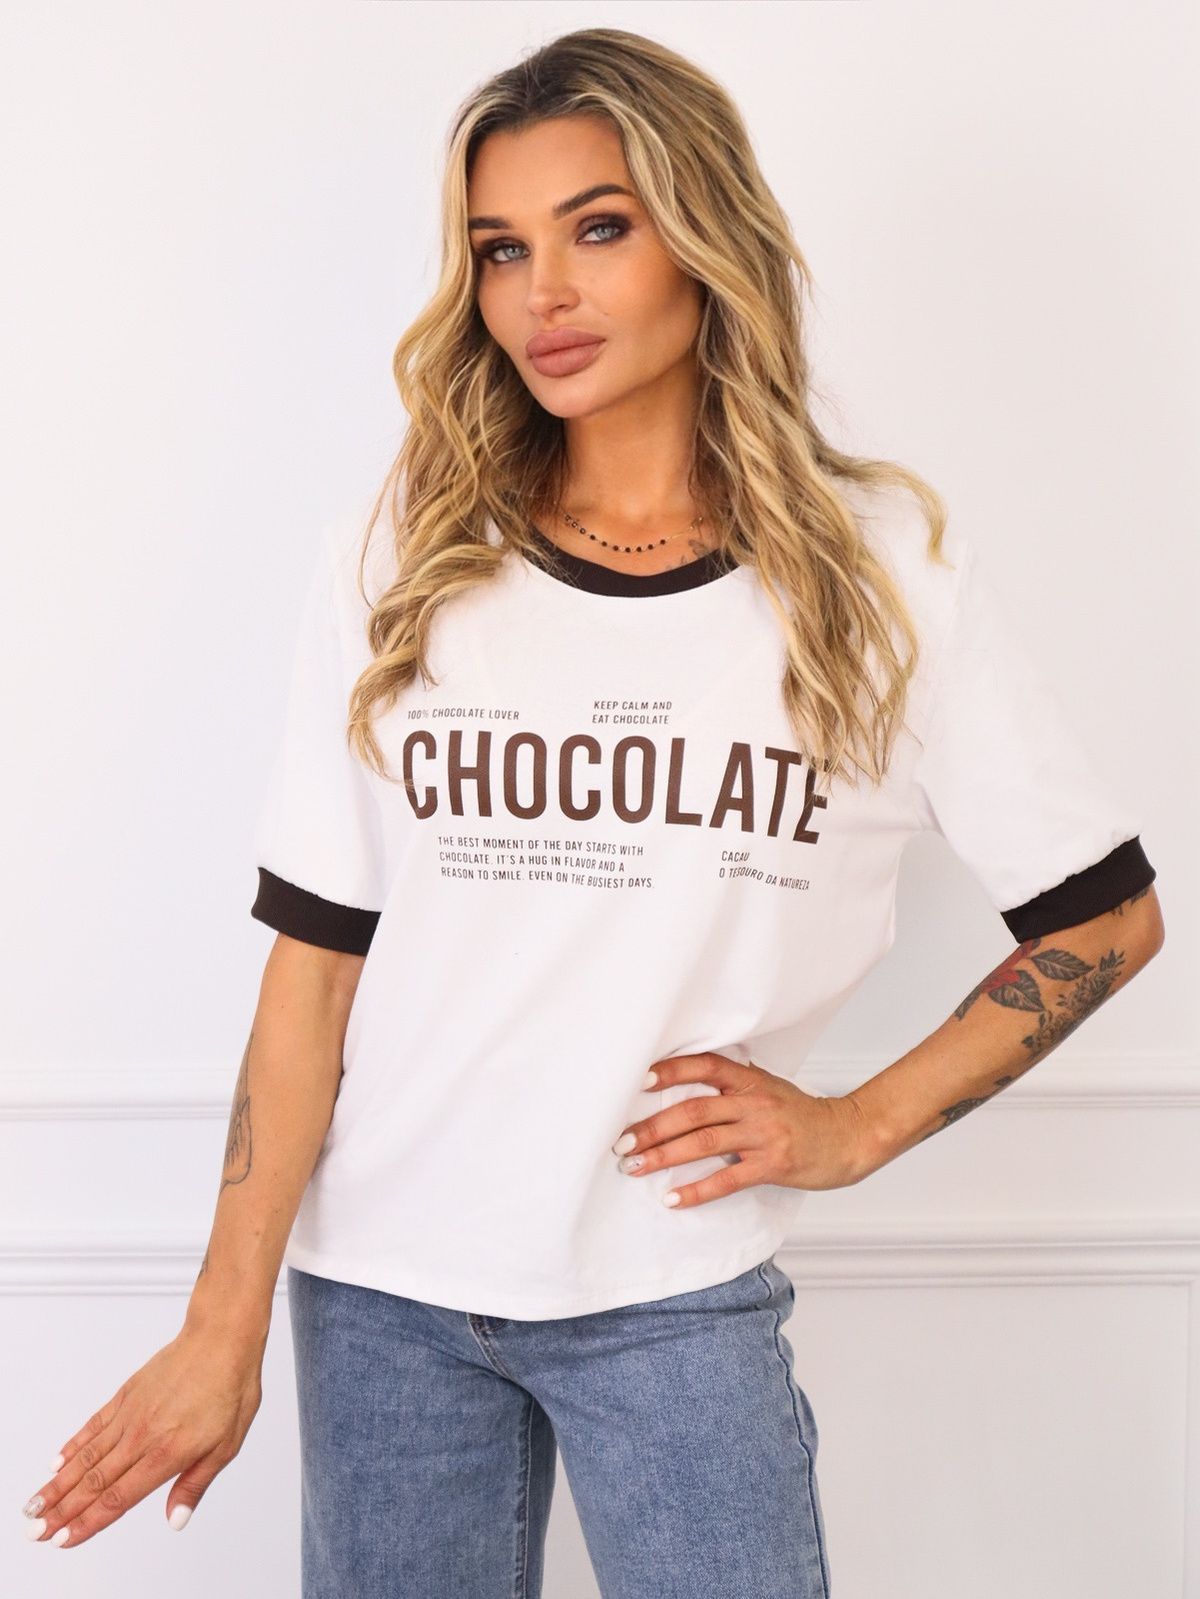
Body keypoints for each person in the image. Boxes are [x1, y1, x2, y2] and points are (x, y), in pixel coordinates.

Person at [21, 27, 1163, 1599]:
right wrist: (220, 1331)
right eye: (501, 248)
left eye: (598, 228)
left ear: (705, 237)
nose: (541, 292)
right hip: (380, 1302)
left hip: (672, 1292)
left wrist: (855, 1127)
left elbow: (1104, 916)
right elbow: (316, 967)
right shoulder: (408, 552)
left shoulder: (882, 578)